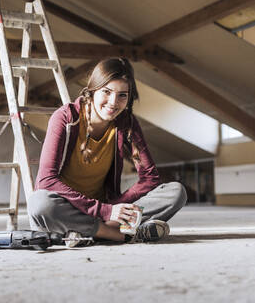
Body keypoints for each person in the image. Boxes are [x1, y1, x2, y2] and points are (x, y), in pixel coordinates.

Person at [27, 57, 187, 245]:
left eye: (122, 95)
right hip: (69, 208)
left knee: (176, 192)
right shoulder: (65, 117)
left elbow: (150, 177)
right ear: (93, 90)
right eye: (107, 92)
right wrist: (104, 211)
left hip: (105, 211)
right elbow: (46, 180)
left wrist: (115, 207)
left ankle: (91, 231)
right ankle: (118, 234)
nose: (113, 102)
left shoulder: (127, 122)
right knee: (40, 203)